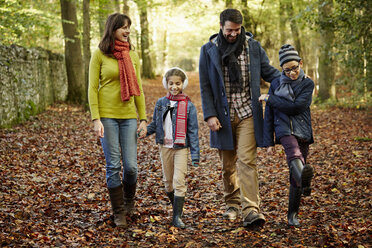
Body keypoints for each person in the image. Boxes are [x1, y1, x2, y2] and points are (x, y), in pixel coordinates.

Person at [199, 8, 281, 228]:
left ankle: (251, 209)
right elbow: (205, 85)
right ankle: (232, 203)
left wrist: (292, 78)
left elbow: (269, 73)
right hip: (223, 116)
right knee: (228, 166)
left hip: (248, 113)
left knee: (247, 161)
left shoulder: (253, 47)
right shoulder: (208, 50)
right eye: (229, 30)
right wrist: (209, 114)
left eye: (237, 30)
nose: (233, 34)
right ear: (221, 27)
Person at [88, 13, 147, 228]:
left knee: (131, 167)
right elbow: (92, 88)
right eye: (123, 27)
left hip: (129, 116)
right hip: (107, 116)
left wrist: (143, 118)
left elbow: (138, 88)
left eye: (129, 27)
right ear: (112, 29)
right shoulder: (100, 54)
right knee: (113, 165)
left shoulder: (133, 54)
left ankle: (129, 201)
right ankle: (119, 212)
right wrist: (96, 119)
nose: (127, 31)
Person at [259, 44, 314, 227]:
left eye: (294, 68)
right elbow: (269, 115)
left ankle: (292, 215)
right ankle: (304, 182)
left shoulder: (308, 83)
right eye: (287, 70)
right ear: (281, 68)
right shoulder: (275, 84)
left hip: (303, 129)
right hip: (283, 128)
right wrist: (267, 141)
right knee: (293, 154)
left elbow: (297, 107)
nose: (292, 73)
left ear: (301, 63)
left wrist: (271, 99)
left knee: (296, 173)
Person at [145, 67, 200, 229]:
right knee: (168, 183)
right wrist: (142, 132)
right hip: (165, 147)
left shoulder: (189, 106)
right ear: (166, 84)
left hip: (181, 147)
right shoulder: (161, 103)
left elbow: (193, 132)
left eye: (177, 83)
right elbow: (155, 124)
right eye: (171, 83)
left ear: (183, 84)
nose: (174, 87)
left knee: (178, 181)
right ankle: (177, 207)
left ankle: (176, 217)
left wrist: (195, 155)